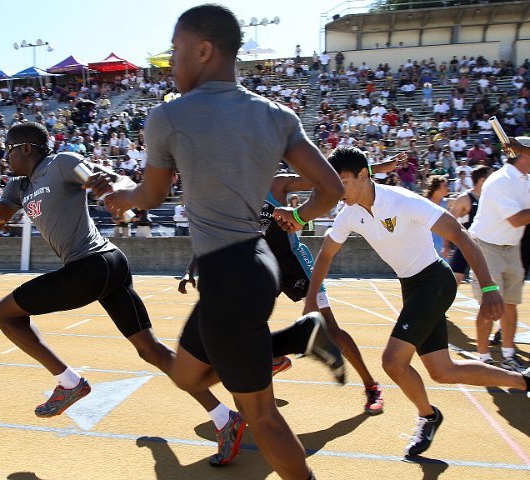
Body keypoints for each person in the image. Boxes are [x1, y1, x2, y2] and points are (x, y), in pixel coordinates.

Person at [95, 6, 346, 478]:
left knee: (262, 414)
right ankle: (298, 337)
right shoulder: (277, 115)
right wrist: (297, 215)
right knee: (186, 375)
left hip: (229, 276)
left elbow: (149, 195)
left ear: (204, 50)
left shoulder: (168, 116)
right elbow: (331, 189)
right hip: (255, 264)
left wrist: (123, 197)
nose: (170, 62)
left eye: (175, 51)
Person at [0, 121, 256, 467]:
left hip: (93, 265)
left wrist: (112, 188)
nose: (5, 158)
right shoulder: (18, 187)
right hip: (104, 267)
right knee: (151, 351)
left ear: (26, 148)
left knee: (3, 314)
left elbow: (100, 177)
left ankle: (68, 382)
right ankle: (225, 418)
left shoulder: (60, 163)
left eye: (8, 150)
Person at [305, 146, 530, 458]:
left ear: (364, 176)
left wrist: (488, 288)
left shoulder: (402, 201)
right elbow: (326, 254)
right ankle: (529, 381)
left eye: (343, 182)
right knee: (443, 370)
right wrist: (311, 302)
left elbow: (460, 233)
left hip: (434, 280)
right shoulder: (349, 213)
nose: (337, 191)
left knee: (392, 361)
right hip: (411, 285)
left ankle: (427, 415)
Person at [180, 172, 386, 416]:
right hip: (262, 266)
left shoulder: (275, 184)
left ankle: (371, 386)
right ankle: (272, 361)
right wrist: (189, 270)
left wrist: (370, 170)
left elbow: (328, 176)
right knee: (244, 323)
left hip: (294, 261)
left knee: (329, 327)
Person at [469, 137, 530, 372]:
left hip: (511, 248)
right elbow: (516, 219)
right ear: (523, 155)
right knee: (489, 304)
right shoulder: (499, 181)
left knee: (510, 304)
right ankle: (483, 359)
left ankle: (508, 355)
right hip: (486, 247)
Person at [447, 165, 491, 284]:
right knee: (454, 280)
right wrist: (446, 245)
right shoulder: (465, 198)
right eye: (490, 177)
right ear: (482, 180)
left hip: (487, 245)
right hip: (467, 243)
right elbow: (448, 221)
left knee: (489, 281)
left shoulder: (491, 197)